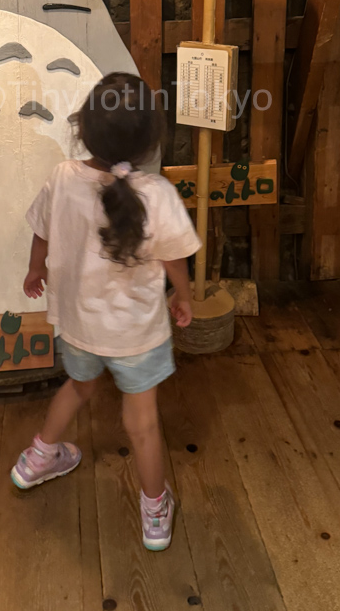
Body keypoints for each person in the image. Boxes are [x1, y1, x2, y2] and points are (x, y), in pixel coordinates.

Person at [10, 72, 200, 551]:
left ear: (84, 128)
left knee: (77, 388)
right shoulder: (156, 193)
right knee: (143, 423)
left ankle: (36, 460)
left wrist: (36, 271)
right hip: (137, 336)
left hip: (77, 326)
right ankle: (154, 512)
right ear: (149, 141)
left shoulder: (62, 177)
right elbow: (174, 257)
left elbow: (42, 229)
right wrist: (184, 295)